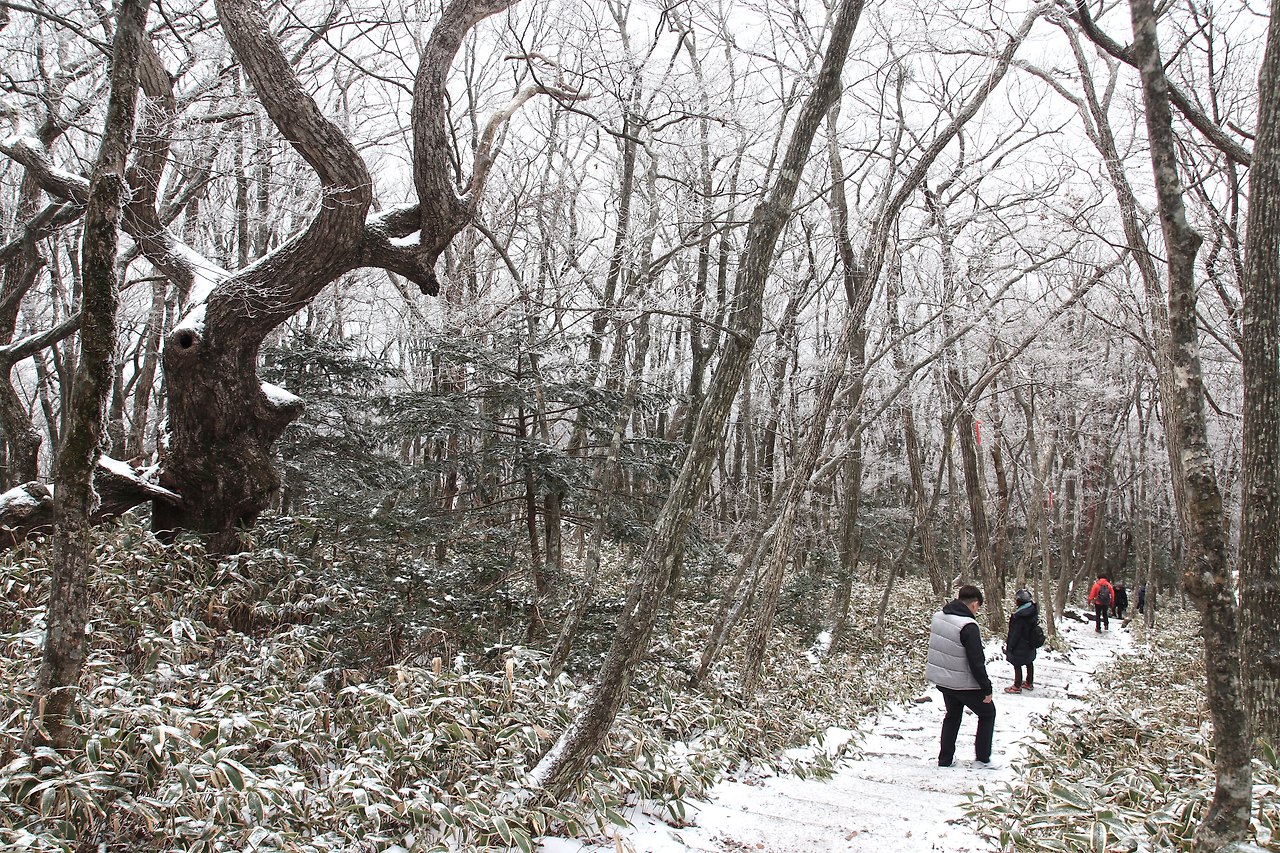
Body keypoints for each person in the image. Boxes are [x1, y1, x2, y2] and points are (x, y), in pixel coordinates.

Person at [925, 585, 997, 768]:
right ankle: (983, 759)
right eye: (978, 607)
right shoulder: (968, 626)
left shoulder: (939, 617)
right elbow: (976, 661)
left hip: (944, 680)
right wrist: (986, 688)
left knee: (952, 715)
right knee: (988, 713)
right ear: (974, 604)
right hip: (964, 683)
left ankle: (945, 759)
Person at [1003, 588, 1039, 693]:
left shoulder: (1019, 616)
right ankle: (1029, 682)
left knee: (1017, 664)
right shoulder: (1032, 611)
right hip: (1030, 643)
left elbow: (1015, 633)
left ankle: (1017, 686)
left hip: (1020, 645)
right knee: (1029, 661)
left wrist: (1010, 646)